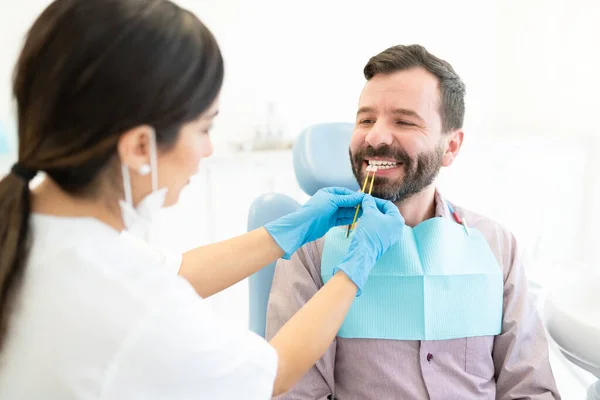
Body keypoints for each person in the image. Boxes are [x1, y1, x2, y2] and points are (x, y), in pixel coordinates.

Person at [0, 1, 405, 399]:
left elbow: (171, 272)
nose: (208, 150)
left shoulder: (36, 232)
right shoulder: (129, 303)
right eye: (204, 128)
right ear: (141, 146)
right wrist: (353, 269)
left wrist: (288, 230)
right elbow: (272, 374)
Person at [266, 44, 561, 399]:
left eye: (404, 121)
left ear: (451, 147)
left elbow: (530, 390)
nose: (375, 136)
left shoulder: (496, 248)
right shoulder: (313, 253)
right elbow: (293, 392)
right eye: (365, 119)